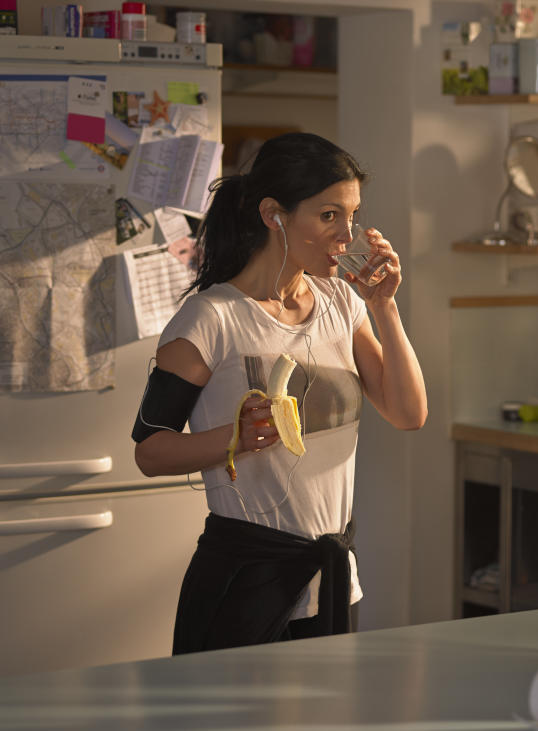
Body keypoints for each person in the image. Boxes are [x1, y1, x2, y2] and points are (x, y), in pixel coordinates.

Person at [131, 133, 427, 654]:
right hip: (246, 578)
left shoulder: (341, 303)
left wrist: (384, 308)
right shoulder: (210, 319)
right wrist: (236, 438)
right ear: (275, 215)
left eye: (352, 216)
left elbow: (408, 414)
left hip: (331, 575)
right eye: (330, 216)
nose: (347, 235)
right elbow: (150, 451)